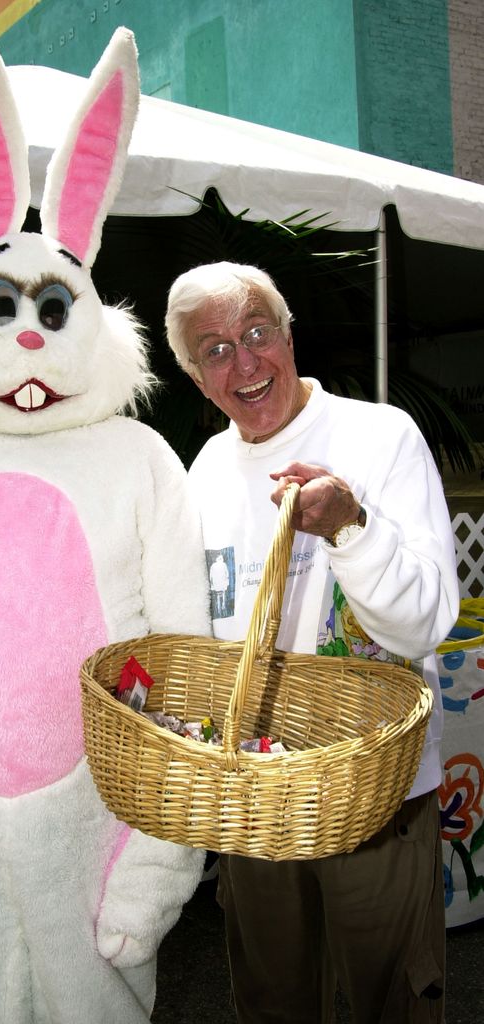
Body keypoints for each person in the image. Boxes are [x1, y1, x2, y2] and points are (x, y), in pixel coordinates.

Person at [165, 261, 459, 1024]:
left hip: (374, 803)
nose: (245, 361)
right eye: (215, 350)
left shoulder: (378, 435)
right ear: (196, 377)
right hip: (254, 807)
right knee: (269, 1001)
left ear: (288, 334)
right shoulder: (201, 474)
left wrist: (348, 530)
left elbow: (425, 623)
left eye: (257, 332)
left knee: (389, 1000)